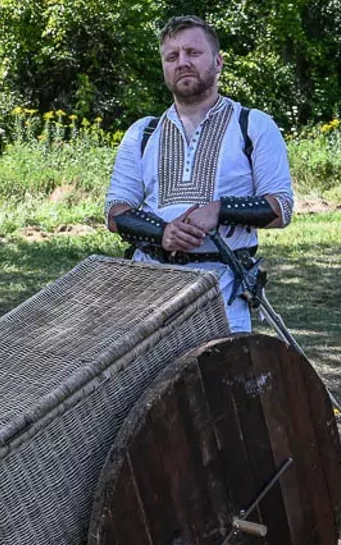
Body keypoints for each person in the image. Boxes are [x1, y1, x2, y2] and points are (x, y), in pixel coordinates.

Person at [105, 15, 295, 332]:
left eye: (193, 53)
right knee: (151, 381)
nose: (182, 62)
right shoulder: (142, 133)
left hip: (224, 289)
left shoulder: (253, 125)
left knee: (223, 378)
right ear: (164, 67)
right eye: (172, 56)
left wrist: (218, 210)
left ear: (218, 61)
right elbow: (116, 214)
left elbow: (280, 208)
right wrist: (162, 232)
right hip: (149, 290)